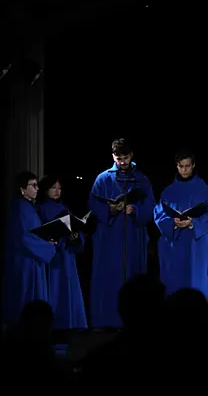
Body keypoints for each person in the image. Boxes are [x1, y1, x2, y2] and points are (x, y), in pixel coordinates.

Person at [87, 138, 156, 328]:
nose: (122, 162)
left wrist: (135, 210)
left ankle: (135, 321)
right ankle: (106, 321)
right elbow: (93, 204)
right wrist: (110, 210)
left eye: (125, 157)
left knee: (133, 278)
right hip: (109, 236)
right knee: (109, 278)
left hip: (134, 235)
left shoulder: (141, 179)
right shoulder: (103, 178)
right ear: (113, 157)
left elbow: (151, 206)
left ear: (131, 155)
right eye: (118, 158)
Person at [153, 149, 208, 299]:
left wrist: (193, 223)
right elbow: (158, 213)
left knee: (197, 282)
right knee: (175, 285)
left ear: (193, 165)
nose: (184, 170)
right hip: (175, 244)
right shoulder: (168, 191)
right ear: (176, 166)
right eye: (181, 166)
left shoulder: (203, 188)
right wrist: (172, 222)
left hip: (196, 244)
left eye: (187, 166)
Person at [1, 172, 56, 327]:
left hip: (33, 259)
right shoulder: (19, 207)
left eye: (37, 185)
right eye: (33, 185)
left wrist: (46, 241)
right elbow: (23, 237)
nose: (37, 189)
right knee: (25, 298)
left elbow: (34, 233)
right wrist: (46, 247)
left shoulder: (28, 207)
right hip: (25, 262)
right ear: (22, 189)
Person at [38, 175, 88, 329]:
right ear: (46, 190)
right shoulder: (40, 208)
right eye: (53, 188)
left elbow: (76, 231)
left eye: (59, 188)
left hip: (67, 254)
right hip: (53, 255)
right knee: (54, 290)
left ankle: (68, 325)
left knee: (67, 290)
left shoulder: (64, 208)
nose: (57, 191)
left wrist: (76, 236)